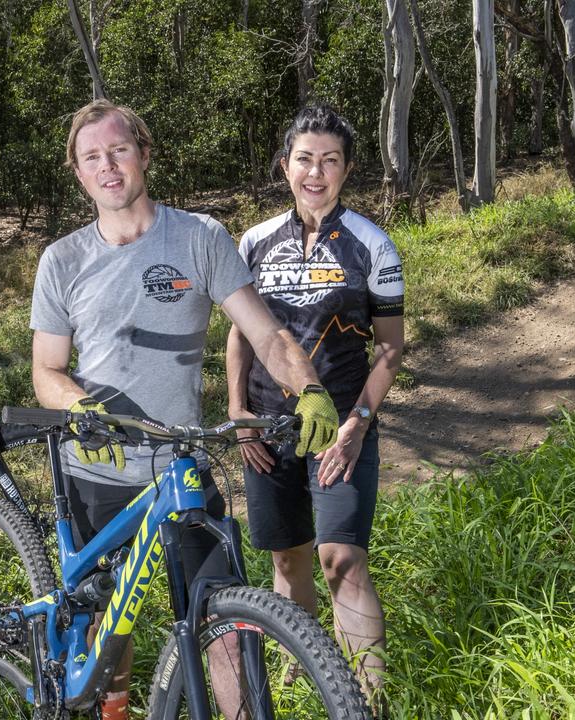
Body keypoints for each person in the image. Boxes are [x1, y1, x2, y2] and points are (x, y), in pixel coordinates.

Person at [30, 99, 340, 720]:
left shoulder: (198, 237)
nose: (108, 166)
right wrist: (82, 404)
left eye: (118, 150)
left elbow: (266, 335)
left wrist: (307, 386)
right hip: (97, 469)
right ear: (78, 172)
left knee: (224, 621)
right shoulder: (61, 261)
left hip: (182, 469)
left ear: (143, 154)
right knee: (106, 635)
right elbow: (46, 371)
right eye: (92, 157)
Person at [226, 104, 404, 703]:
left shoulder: (373, 245)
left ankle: (365, 702)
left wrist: (358, 422)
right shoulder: (252, 242)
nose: (316, 172)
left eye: (330, 161)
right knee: (289, 560)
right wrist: (238, 415)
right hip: (268, 428)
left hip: (342, 429)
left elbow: (390, 349)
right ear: (285, 166)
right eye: (305, 159)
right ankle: (304, 675)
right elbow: (240, 336)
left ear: (347, 169)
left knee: (342, 560)